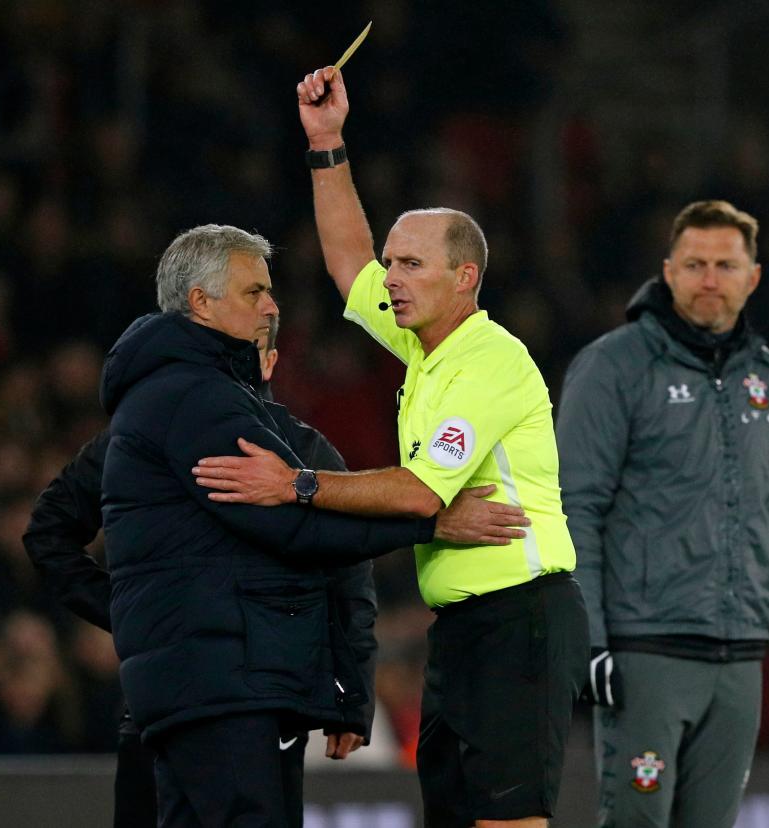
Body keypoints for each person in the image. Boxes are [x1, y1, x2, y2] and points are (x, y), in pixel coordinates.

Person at [189, 67, 589, 828]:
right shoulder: (425, 349)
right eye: (395, 262)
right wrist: (328, 143)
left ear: (464, 278)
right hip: (467, 626)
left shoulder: (489, 361)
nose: (392, 278)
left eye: (412, 265)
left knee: (510, 821)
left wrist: (296, 485)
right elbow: (348, 262)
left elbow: (416, 493)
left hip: (523, 620)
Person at [98, 224, 520, 828]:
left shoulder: (175, 394)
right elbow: (292, 527)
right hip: (224, 685)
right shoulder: (193, 397)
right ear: (201, 302)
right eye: (254, 292)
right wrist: (430, 525)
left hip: (208, 678)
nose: (272, 306)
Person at [23, 316, 382, 827]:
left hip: (222, 703)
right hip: (220, 704)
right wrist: (137, 616)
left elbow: (349, 572)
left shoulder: (295, 452)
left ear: (270, 361)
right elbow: (49, 534)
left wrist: (354, 696)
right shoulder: (149, 431)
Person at [555, 200, 769, 828]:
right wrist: (586, 638)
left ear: (753, 277)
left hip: (738, 661)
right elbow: (574, 507)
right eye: (695, 263)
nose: (709, 280)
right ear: (668, 271)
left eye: (726, 265)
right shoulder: (613, 366)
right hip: (646, 653)